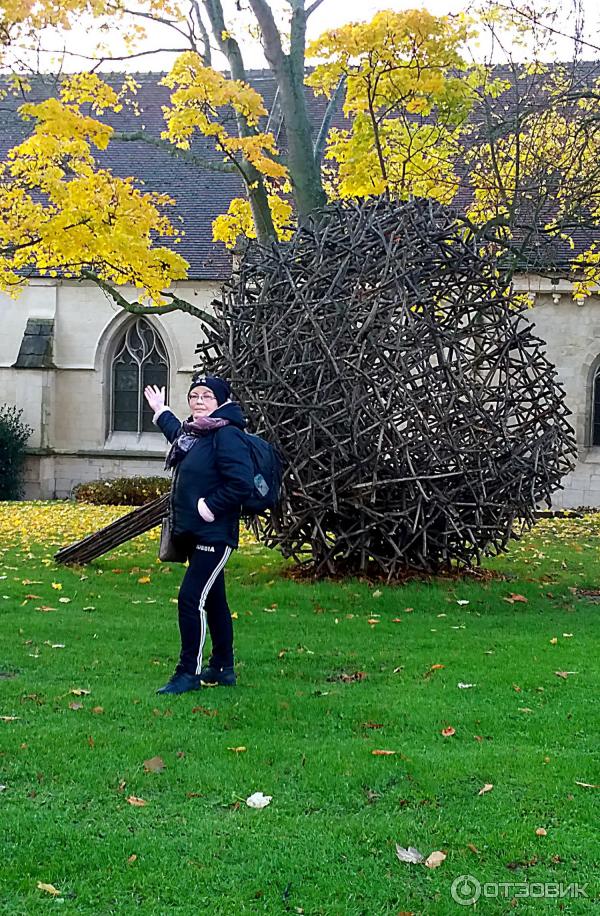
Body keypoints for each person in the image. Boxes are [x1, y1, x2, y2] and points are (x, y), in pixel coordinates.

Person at [144, 375, 254, 695]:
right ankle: (223, 668)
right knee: (215, 600)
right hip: (194, 532)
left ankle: (188, 673)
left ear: (221, 402)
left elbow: (241, 483)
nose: (199, 401)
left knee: (191, 599)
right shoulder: (194, 434)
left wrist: (210, 506)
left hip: (215, 533)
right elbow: (176, 434)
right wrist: (161, 410)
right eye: (194, 396)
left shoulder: (227, 435)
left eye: (207, 396)